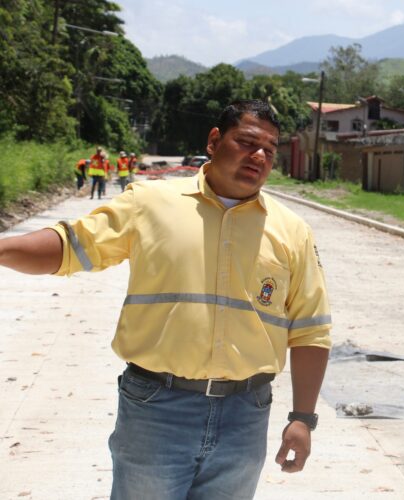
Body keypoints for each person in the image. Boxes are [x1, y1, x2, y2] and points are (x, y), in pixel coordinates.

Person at [0, 99, 332, 499]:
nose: (258, 156)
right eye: (246, 142)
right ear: (214, 140)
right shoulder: (149, 203)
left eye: (269, 149)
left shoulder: (292, 231)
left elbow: (310, 329)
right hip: (157, 408)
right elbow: (71, 246)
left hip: (246, 416)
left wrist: (302, 418)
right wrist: (4, 249)